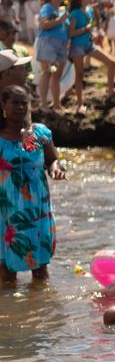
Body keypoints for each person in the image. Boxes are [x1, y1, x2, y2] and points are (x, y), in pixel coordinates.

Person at [0, 84, 67, 284]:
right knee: (6, 273)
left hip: (36, 209)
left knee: (40, 270)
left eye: (24, 103)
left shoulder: (38, 133)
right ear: (3, 104)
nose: (21, 107)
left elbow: (52, 159)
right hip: (6, 211)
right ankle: (12, 314)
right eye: (15, 103)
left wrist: (56, 168)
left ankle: (41, 311)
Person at [65, 0, 115, 113]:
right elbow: (71, 33)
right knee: (79, 75)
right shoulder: (75, 13)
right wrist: (85, 29)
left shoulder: (89, 10)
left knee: (112, 63)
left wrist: (93, 32)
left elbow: (93, 24)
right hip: (77, 46)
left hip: (88, 44)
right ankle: (79, 104)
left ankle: (110, 93)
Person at [34, 0, 69, 110]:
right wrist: (60, 20)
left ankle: (56, 104)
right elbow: (43, 24)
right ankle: (44, 104)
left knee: (56, 75)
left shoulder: (60, 10)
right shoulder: (47, 8)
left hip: (60, 44)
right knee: (48, 72)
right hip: (48, 42)